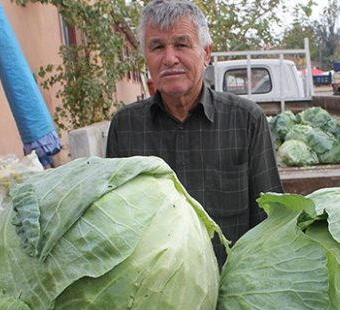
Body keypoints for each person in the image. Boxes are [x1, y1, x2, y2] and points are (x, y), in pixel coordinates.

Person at [106, 0, 283, 266]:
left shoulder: (246, 121)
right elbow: (114, 222)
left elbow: (270, 221)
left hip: (232, 289)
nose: (169, 58)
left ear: (206, 53)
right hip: (150, 294)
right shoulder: (125, 127)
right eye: (157, 47)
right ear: (146, 56)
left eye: (181, 44)